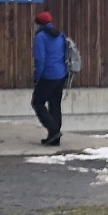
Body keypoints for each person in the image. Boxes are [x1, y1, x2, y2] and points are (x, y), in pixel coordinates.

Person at [32, 11, 68, 146]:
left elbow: (40, 59)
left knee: (37, 102)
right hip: (61, 75)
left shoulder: (40, 37)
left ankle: (53, 131)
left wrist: (37, 77)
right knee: (55, 105)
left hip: (48, 75)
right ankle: (54, 139)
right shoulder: (60, 35)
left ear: (39, 23)